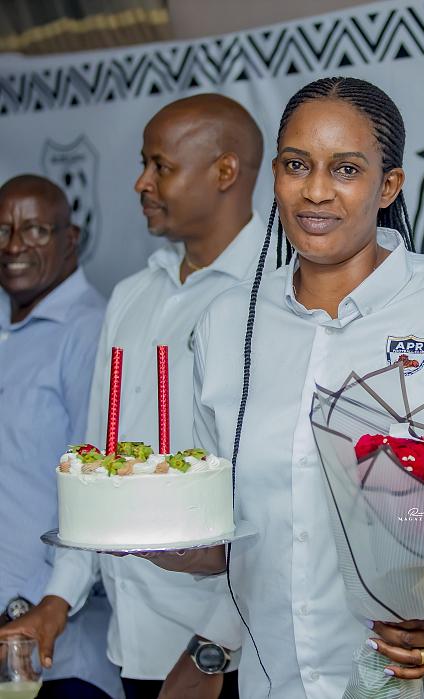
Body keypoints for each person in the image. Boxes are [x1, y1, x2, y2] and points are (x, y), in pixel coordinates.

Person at [151, 76, 424, 698]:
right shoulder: (228, 325)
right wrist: (164, 545)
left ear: (389, 186)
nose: (316, 191)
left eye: (346, 169)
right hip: (281, 683)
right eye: (296, 165)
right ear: (275, 175)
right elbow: (242, 534)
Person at [1, 94, 266, 699]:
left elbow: (280, 508)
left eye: (160, 166)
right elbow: (96, 469)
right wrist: (58, 599)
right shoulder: (133, 295)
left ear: (225, 172)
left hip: (229, 654)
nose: (141, 183)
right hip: (135, 641)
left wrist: (213, 646)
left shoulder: (274, 293)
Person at [0, 174, 123, 698]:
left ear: (71, 239)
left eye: (35, 230)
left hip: (51, 643)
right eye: (2, 230)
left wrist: (32, 602)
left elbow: (94, 486)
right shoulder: (6, 323)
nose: (13, 246)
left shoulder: (90, 329)